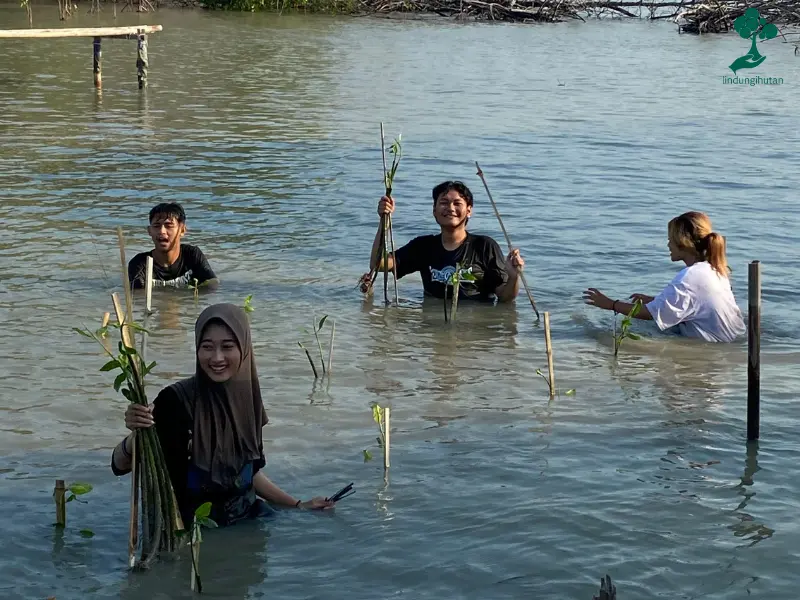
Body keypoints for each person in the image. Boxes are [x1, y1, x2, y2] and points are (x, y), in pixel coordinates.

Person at [110, 303, 335, 527]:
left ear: (244, 349)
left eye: (227, 347)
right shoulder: (175, 402)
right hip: (191, 533)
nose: (217, 358)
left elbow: (247, 473)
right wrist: (136, 437)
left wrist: (297, 505)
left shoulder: (248, 400)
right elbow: (119, 466)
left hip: (248, 521)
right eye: (207, 347)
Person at [583, 211, 746, 343]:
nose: (668, 245)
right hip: (733, 340)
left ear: (682, 243)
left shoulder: (689, 277)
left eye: (670, 240)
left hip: (715, 346)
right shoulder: (713, 268)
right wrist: (655, 300)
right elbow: (695, 303)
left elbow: (650, 314)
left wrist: (611, 304)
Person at [367, 181, 524, 302]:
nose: (450, 208)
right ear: (434, 210)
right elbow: (378, 264)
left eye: (457, 203)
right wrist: (384, 222)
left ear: (469, 210)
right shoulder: (423, 246)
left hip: (475, 331)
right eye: (443, 202)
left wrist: (514, 276)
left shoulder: (484, 246)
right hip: (434, 326)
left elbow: (505, 297)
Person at [127, 202, 219, 290]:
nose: (162, 231)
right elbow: (138, 298)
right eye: (156, 226)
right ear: (149, 231)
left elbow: (212, 284)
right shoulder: (140, 264)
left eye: (169, 226)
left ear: (182, 230)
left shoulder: (192, 256)